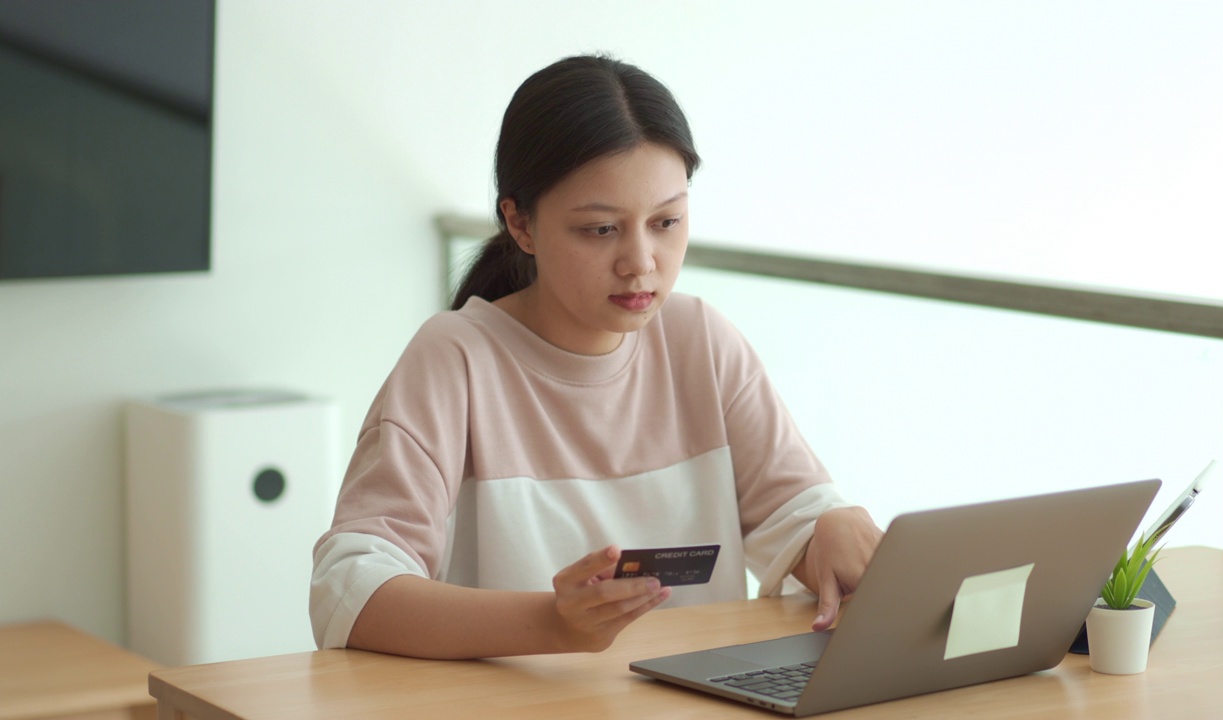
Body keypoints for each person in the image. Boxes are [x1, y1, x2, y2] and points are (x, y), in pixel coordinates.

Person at [310, 54, 884, 660]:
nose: (641, 261)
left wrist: (831, 526)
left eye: (666, 221)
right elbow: (350, 589)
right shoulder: (456, 359)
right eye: (601, 230)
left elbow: (795, 514)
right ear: (521, 224)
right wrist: (551, 625)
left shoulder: (699, 341)